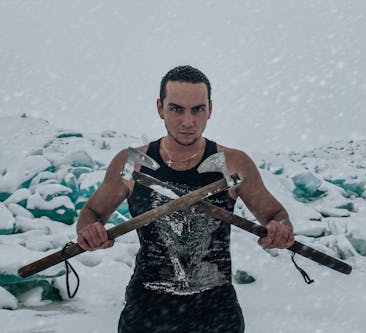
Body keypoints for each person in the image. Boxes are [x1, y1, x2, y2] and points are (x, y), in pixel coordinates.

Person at [76, 65, 294, 332]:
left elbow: (276, 216)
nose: (188, 122)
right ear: (160, 108)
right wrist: (90, 232)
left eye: (198, 109)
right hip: (146, 316)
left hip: (217, 317)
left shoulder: (233, 163)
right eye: (177, 108)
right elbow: (91, 214)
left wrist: (280, 230)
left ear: (210, 109)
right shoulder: (131, 163)